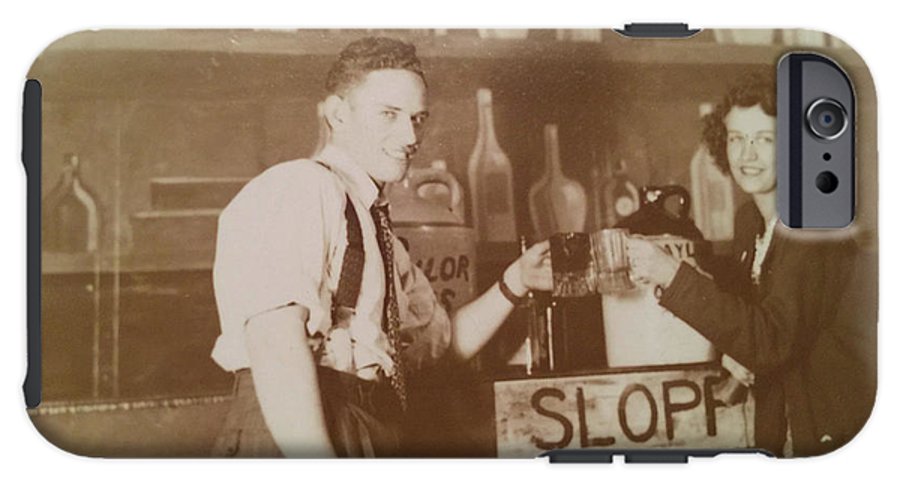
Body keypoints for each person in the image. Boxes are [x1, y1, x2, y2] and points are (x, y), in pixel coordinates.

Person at [209, 36, 552, 458]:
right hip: (294, 430)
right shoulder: (302, 186)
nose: (410, 135)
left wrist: (514, 281)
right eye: (388, 114)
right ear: (338, 114)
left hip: (360, 425)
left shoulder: (376, 227)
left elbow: (440, 349)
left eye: (418, 118)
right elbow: (275, 342)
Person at [627, 74, 875, 457]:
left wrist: (671, 275)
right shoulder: (751, 221)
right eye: (736, 139)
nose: (747, 155)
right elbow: (750, 319)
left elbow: (769, 340)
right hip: (788, 430)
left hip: (836, 432)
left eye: (765, 139)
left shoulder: (816, 226)